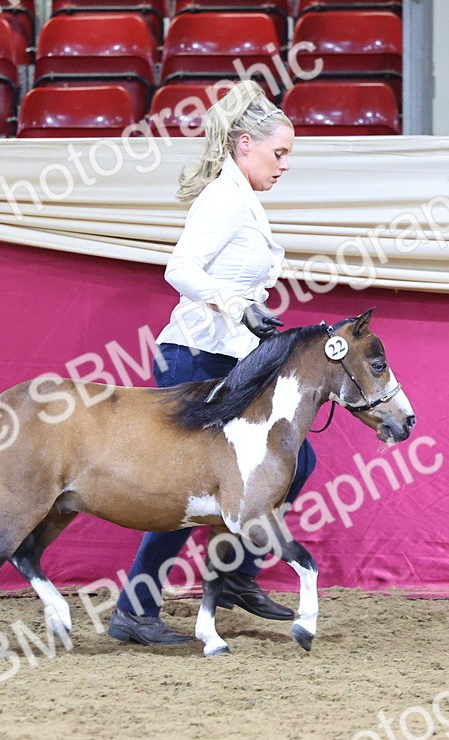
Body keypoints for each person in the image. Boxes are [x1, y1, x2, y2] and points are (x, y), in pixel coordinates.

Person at [107, 81, 318, 646]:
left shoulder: (242, 198)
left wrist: (252, 314)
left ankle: (232, 576)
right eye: (280, 153)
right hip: (194, 357)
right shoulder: (224, 199)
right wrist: (237, 305)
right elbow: (180, 270)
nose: (285, 165)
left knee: (296, 459)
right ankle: (137, 610)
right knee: (190, 489)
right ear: (245, 144)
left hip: (228, 357)